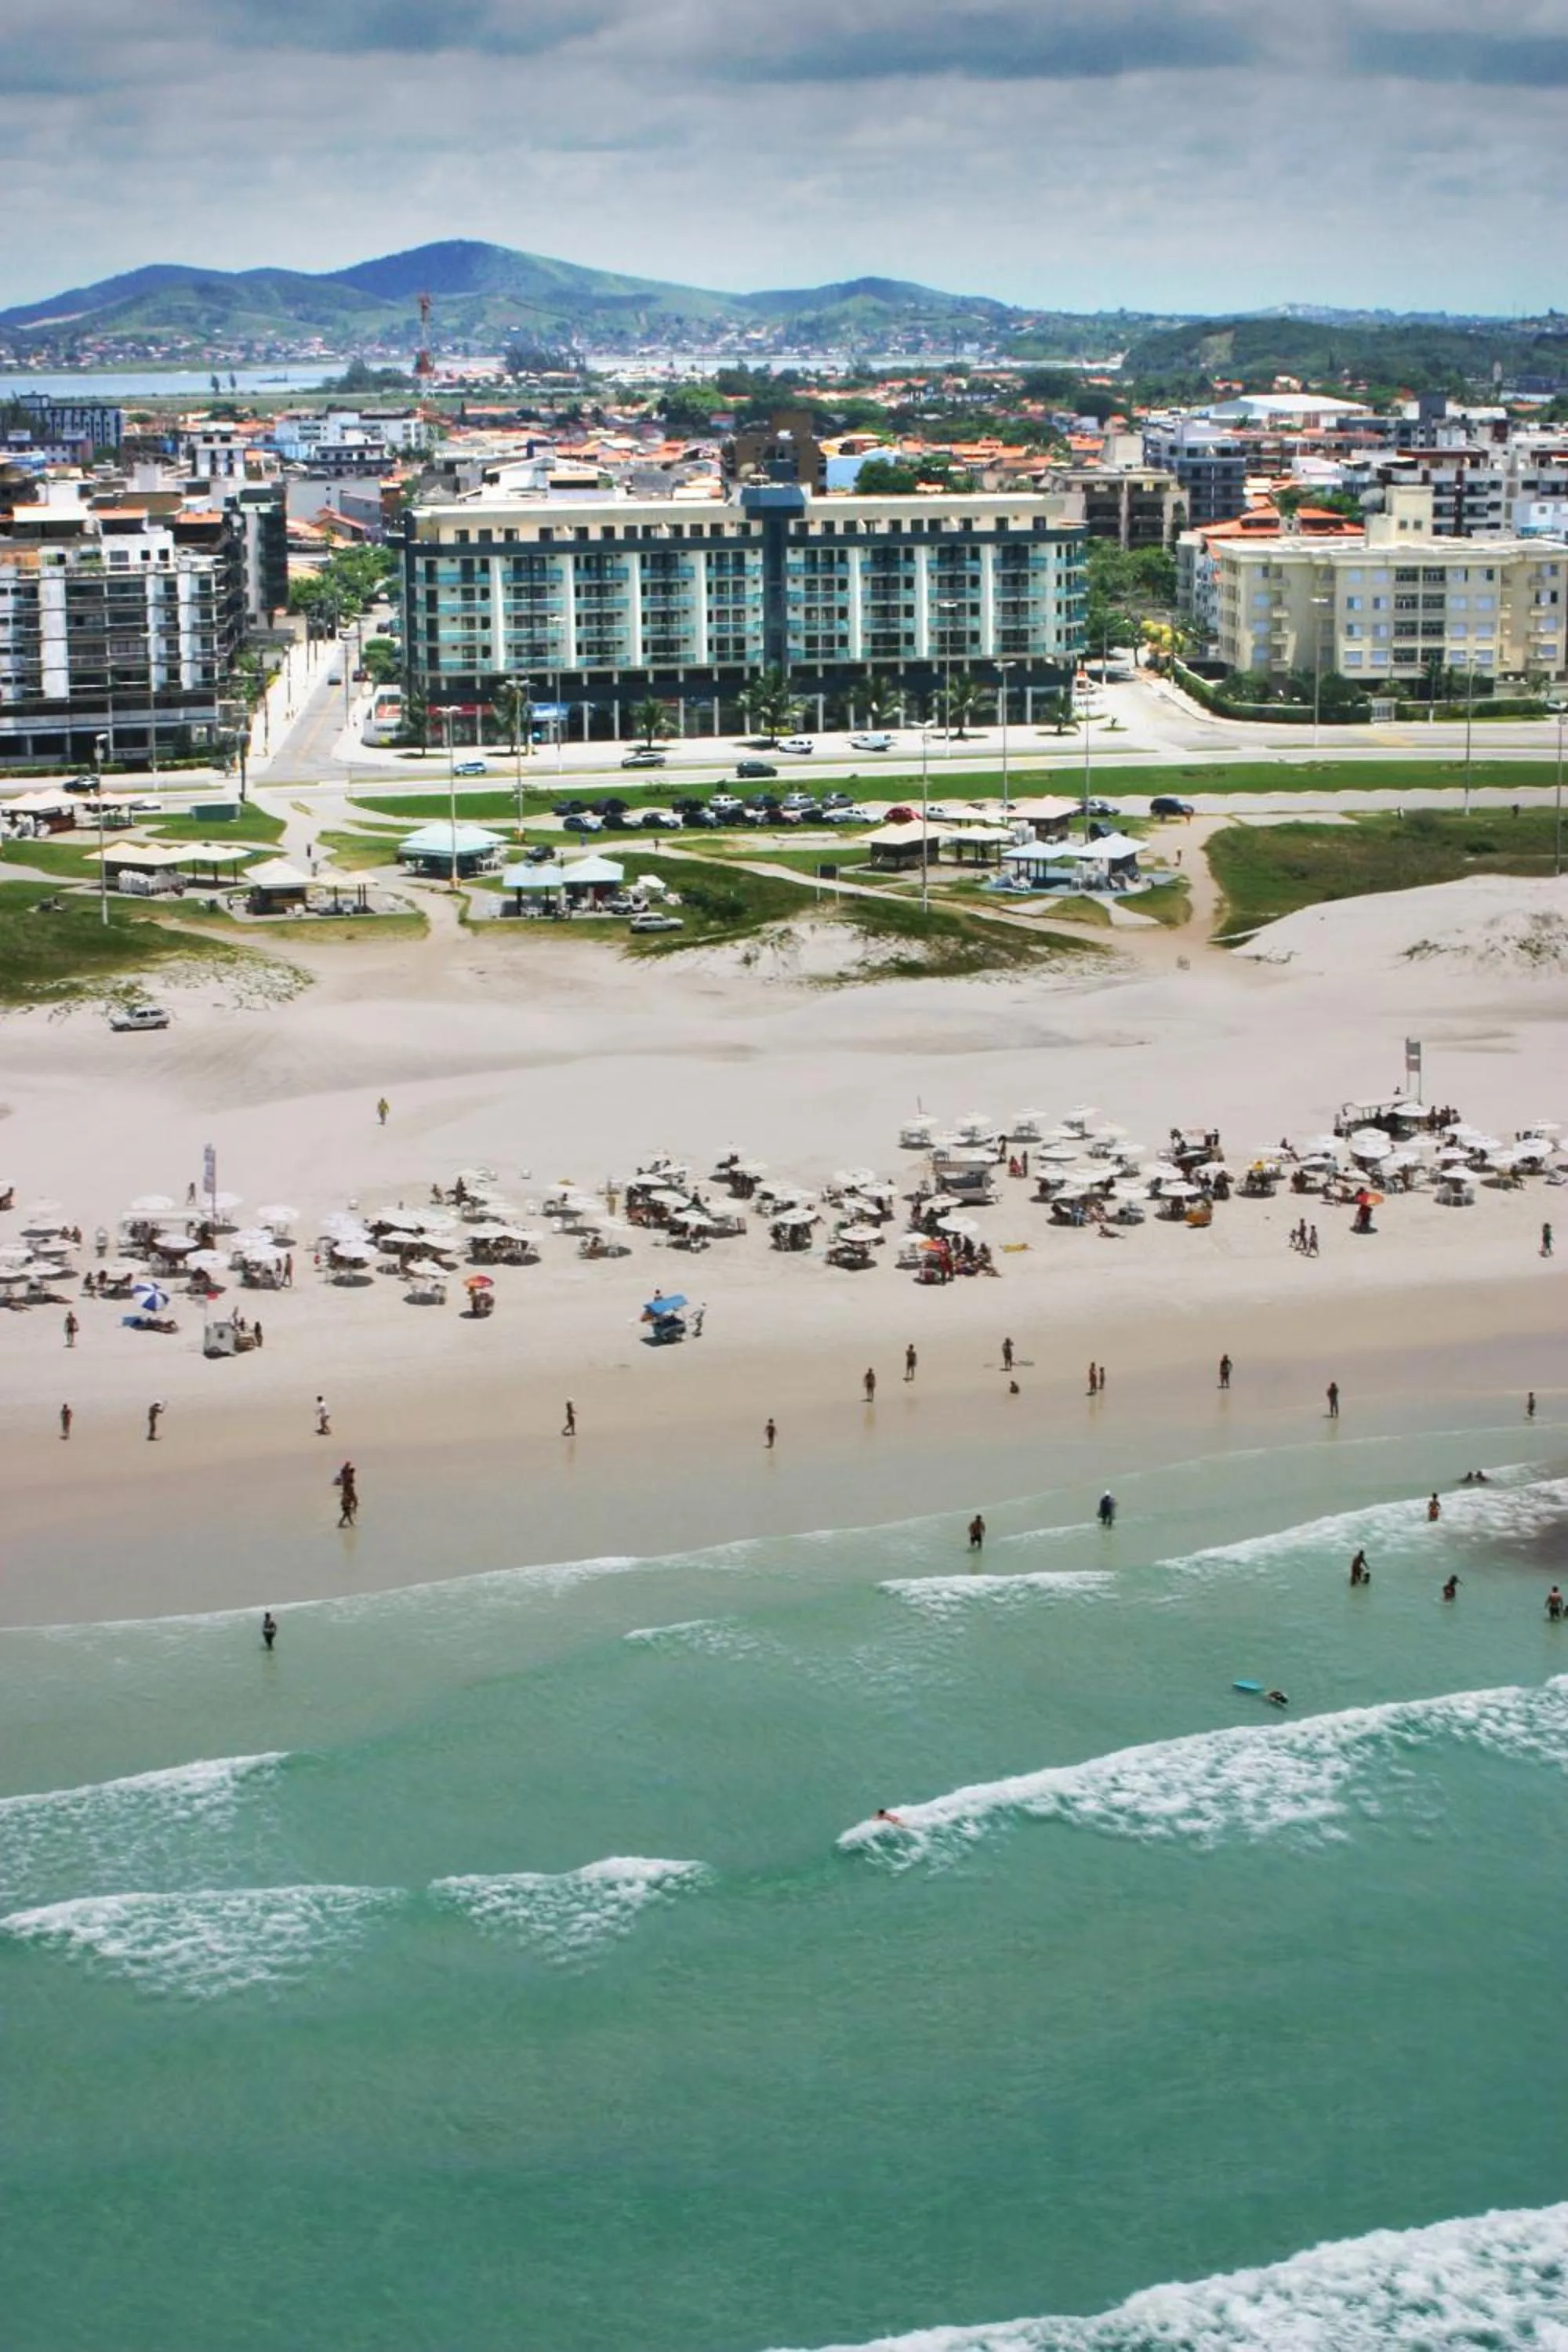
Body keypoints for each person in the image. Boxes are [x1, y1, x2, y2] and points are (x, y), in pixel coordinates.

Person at [336, 1462, 358, 1527]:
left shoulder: (347, 1479)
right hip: (347, 1498)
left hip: (348, 1496)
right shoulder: (346, 1479)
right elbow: (343, 1471)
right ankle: (342, 1524)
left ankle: (350, 1524)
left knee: (347, 1514)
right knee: (347, 1513)